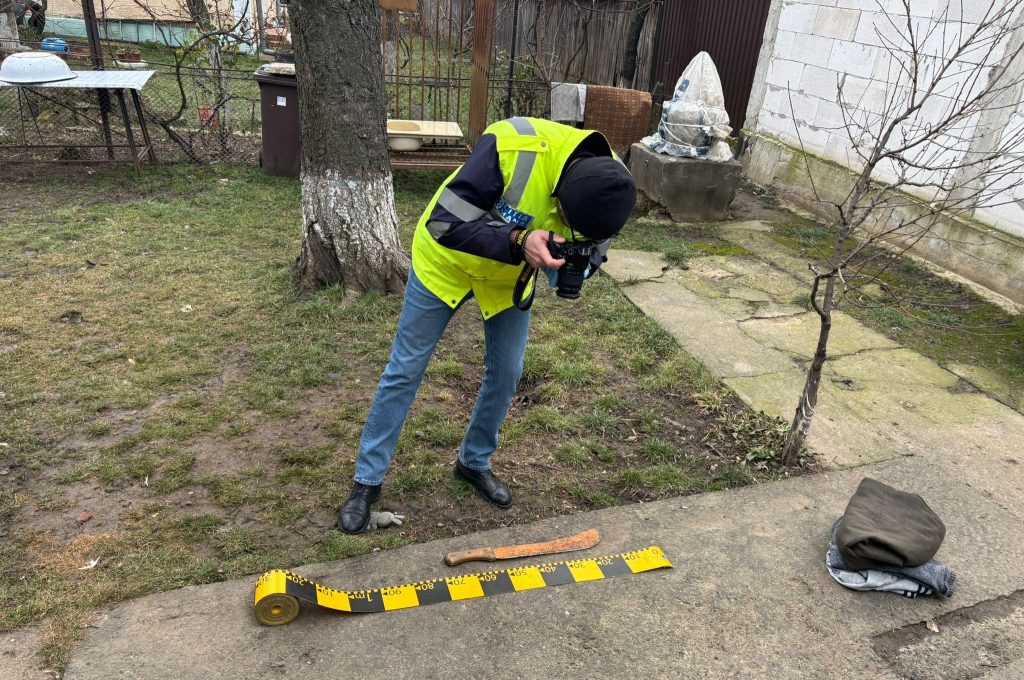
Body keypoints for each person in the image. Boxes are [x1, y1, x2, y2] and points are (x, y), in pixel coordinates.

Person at [338, 116, 637, 534]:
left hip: (505, 278)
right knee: (405, 369)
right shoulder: (510, 146)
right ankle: (366, 482)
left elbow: (597, 248)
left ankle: (473, 462)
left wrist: (578, 267)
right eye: (565, 218)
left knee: (507, 372)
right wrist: (519, 240)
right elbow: (444, 223)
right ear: (562, 190)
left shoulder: (612, 187)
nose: (566, 226)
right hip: (445, 264)